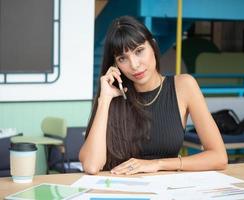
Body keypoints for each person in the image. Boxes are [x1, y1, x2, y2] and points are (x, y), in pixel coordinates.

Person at [79, 16, 228, 175]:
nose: (134, 65)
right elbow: (91, 166)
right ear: (115, 65)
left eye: (139, 51)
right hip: (118, 190)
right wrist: (104, 99)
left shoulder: (184, 86)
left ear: (154, 45)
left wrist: (157, 164)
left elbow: (219, 157)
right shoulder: (112, 95)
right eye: (123, 58)